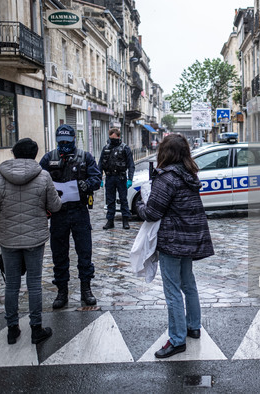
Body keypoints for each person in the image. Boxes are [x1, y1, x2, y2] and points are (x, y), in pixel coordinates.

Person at [137, 134, 214, 359]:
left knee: (172, 290)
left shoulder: (167, 178)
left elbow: (152, 213)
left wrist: (139, 205)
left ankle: (178, 340)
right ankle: (193, 327)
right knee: (188, 284)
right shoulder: (189, 175)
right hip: (189, 237)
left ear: (165, 153)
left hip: (172, 240)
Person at [0, 138, 62, 345]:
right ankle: (36, 329)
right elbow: (55, 206)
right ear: (35, 154)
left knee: (12, 284)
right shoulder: (43, 176)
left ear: (14, 154)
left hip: (8, 238)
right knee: (34, 283)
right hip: (35, 237)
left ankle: (12, 329)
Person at [39, 124, 102, 309]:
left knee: (84, 252)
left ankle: (86, 289)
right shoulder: (49, 158)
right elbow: (39, 178)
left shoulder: (85, 157)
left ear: (74, 139)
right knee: (59, 254)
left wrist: (86, 184)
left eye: (67, 141)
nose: (64, 144)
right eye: (61, 141)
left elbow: (97, 179)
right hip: (58, 213)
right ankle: (62, 291)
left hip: (79, 211)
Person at [99, 128, 135, 230]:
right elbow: (100, 164)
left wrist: (130, 179)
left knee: (123, 199)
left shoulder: (125, 148)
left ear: (119, 137)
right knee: (110, 200)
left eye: (114, 138)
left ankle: (125, 220)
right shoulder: (106, 148)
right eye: (111, 138)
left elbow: (131, 165)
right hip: (109, 177)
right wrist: (99, 178)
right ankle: (110, 221)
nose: (112, 141)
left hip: (121, 177)